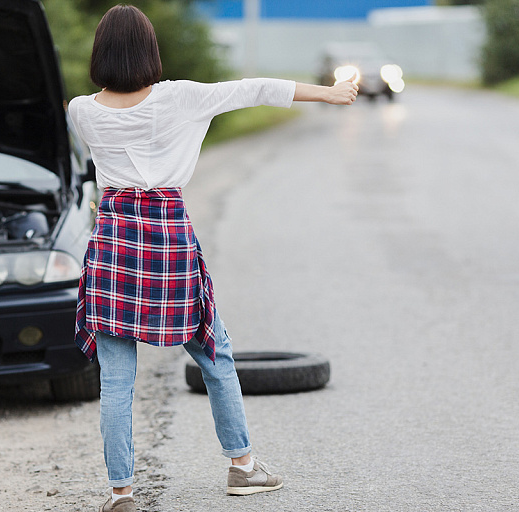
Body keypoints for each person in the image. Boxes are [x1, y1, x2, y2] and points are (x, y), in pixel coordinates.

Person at [68, 5, 358, 512]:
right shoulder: (180, 98)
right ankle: (242, 467)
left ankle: (121, 493)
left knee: (116, 376)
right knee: (213, 351)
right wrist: (328, 94)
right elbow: (255, 89)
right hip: (166, 237)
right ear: (149, 51)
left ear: (100, 54)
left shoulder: (81, 110)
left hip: (112, 240)